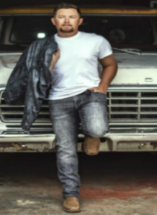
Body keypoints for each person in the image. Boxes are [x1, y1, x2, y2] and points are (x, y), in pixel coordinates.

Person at [48, 3, 118, 213]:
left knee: (98, 128)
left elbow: (110, 64)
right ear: (54, 21)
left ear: (80, 21)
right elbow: (35, 76)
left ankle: (91, 134)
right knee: (66, 149)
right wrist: (50, 63)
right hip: (58, 99)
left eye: (72, 17)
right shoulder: (44, 45)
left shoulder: (96, 40)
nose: (67, 21)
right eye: (62, 17)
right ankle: (70, 195)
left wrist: (102, 88)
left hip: (90, 95)